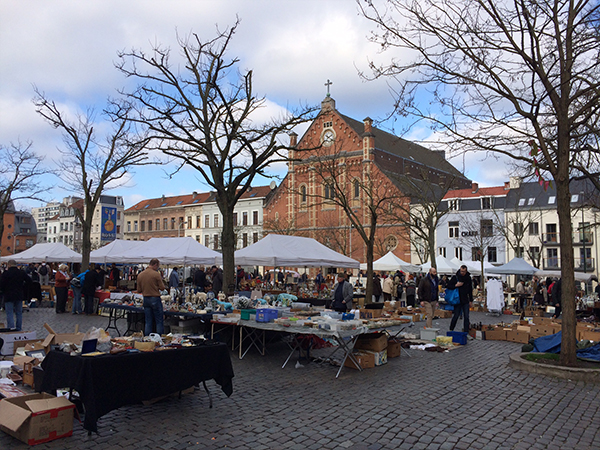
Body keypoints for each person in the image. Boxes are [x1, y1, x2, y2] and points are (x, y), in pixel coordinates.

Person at [0, 259, 32, 330]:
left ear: (9, 265)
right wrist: (23, 287)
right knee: (19, 313)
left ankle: (11, 328)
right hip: (19, 295)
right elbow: (29, 280)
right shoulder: (21, 272)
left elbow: (1, 285)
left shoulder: (6, 273)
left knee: (9, 313)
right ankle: (18, 328)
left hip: (8, 295)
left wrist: (3, 290)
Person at [137, 258, 166, 335]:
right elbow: (162, 288)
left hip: (145, 298)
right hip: (155, 298)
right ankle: (159, 340)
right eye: (158, 266)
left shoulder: (140, 275)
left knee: (148, 321)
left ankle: (147, 339)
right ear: (155, 265)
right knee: (159, 321)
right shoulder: (156, 274)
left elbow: (139, 290)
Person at [447, 265, 474, 333]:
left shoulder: (468, 278)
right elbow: (448, 286)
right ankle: (451, 329)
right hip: (457, 300)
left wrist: (471, 300)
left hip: (465, 300)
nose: (462, 273)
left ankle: (466, 331)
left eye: (464, 271)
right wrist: (456, 285)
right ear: (460, 270)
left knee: (466, 317)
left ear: (466, 271)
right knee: (456, 316)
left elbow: (470, 289)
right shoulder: (455, 277)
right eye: (461, 271)